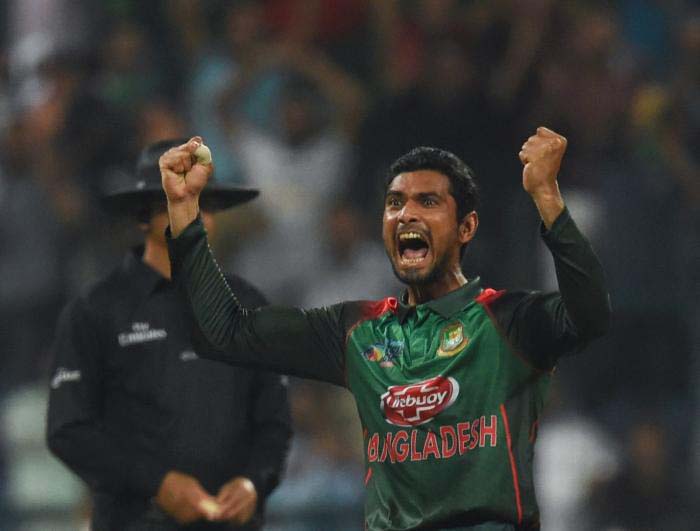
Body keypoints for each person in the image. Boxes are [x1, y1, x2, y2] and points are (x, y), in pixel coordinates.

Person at [160, 127, 611, 530]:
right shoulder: (357, 331)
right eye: (395, 203)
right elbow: (224, 332)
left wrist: (548, 201)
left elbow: (590, 315)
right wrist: (183, 212)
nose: (406, 215)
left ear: (466, 227)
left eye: (428, 202)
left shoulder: (509, 321)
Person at [46, 139, 291, 530]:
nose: (193, 212)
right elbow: (68, 430)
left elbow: (274, 423)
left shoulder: (248, 303)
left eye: (203, 203)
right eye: (176, 199)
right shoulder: (95, 311)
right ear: (143, 216)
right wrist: (155, 484)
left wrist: (253, 482)